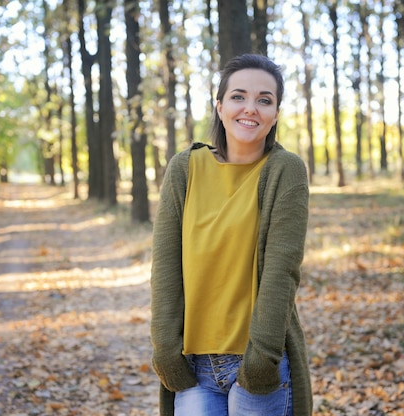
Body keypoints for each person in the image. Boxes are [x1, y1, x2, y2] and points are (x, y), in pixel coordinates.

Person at [150, 53, 312, 416]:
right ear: (220, 107)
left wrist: (260, 361)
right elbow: (165, 267)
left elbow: (281, 272)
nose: (250, 108)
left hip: (259, 367)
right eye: (238, 96)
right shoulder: (184, 169)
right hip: (194, 368)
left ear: (275, 114)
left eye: (264, 100)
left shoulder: (285, 171)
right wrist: (165, 352)